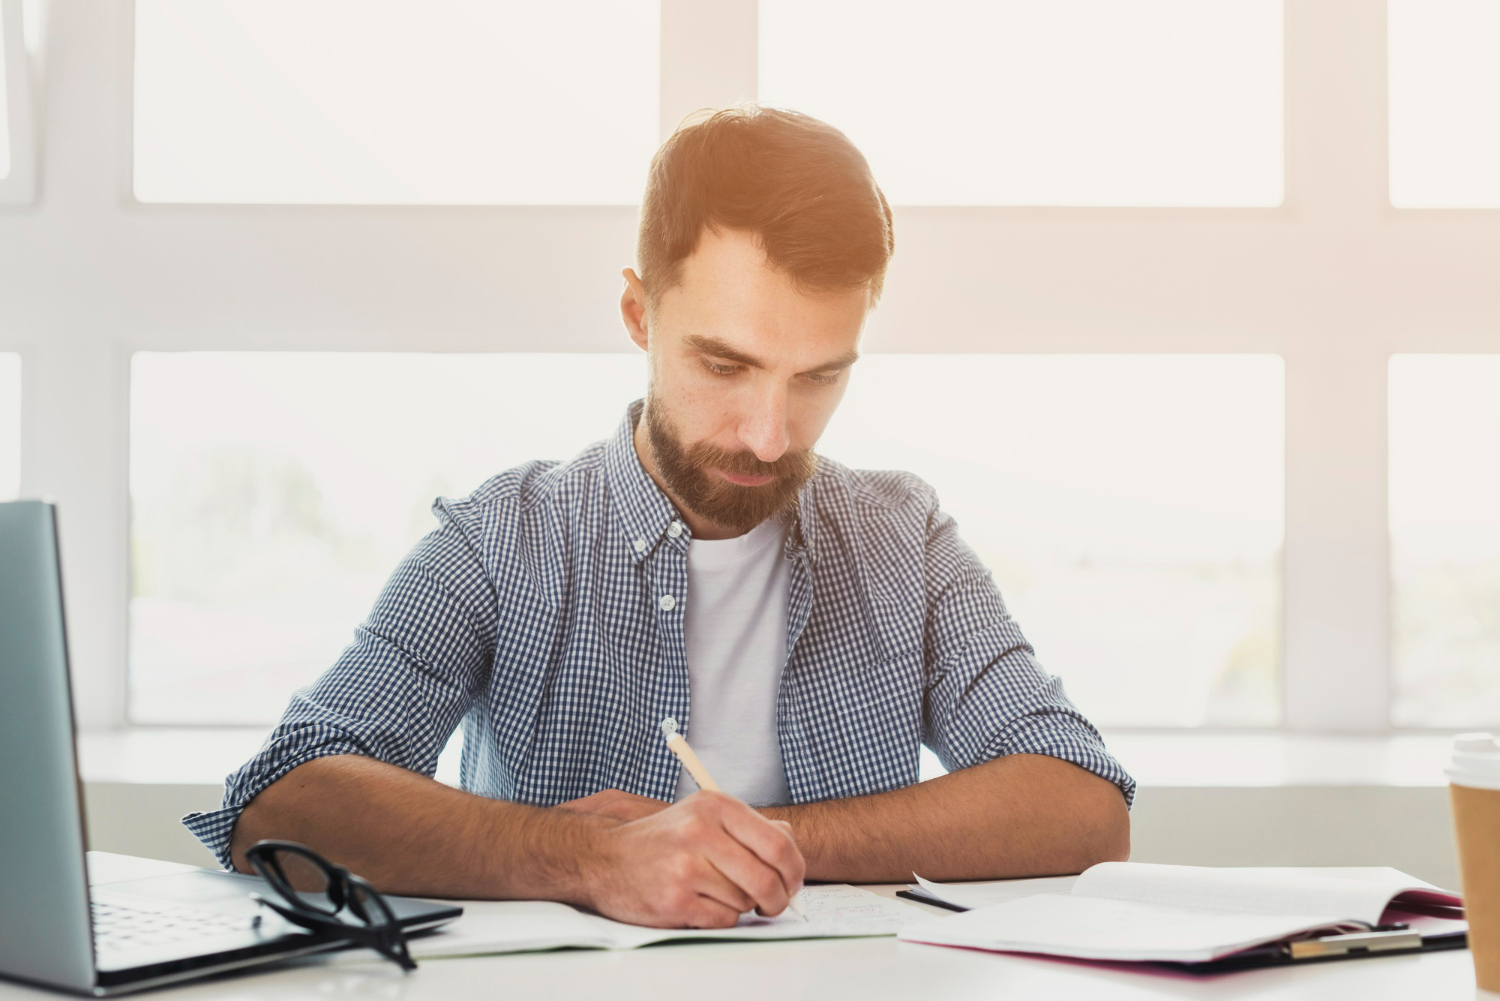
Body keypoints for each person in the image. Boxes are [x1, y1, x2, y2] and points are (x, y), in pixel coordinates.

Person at [185, 106, 1133, 929]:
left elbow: (1083, 802)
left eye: (818, 377)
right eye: (725, 366)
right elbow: (284, 796)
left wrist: (757, 844)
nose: (768, 436)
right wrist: (593, 857)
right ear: (639, 314)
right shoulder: (506, 539)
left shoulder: (904, 537)